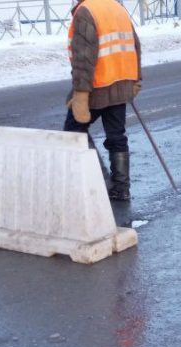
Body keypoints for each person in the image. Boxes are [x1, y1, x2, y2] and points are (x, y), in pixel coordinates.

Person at [63, 0, 142, 202]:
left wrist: (80, 94)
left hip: (97, 86)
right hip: (121, 83)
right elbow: (135, 46)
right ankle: (121, 188)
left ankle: (98, 181)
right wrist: (136, 78)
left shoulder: (86, 11)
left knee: (74, 131)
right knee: (116, 135)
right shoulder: (117, 7)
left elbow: (83, 58)